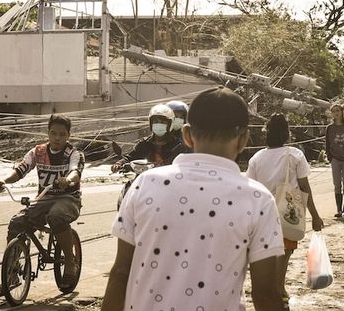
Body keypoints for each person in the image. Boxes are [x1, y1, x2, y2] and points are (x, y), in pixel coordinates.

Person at [101, 87, 285, 311]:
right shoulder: (258, 199)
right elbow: (265, 293)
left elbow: (120, 273)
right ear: (244, 139)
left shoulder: (144, 184)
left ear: (187, 135)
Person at [0, 114, 84, 295]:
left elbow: (75, 172)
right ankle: (12, 274)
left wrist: (68, 180)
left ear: (68, 136)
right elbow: (20, 170)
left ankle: (70, 264)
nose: (57, 138)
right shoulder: (38, 152)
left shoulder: (73, 153)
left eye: (62, 134)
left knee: (56, 216)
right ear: (47, 133)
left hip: (69, 199)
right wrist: (3, 181)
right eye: (53, 133)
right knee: (17, 222)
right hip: (44, 198)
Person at [247, 113, 324, 306]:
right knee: (283, 259)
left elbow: (250, 191)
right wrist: (315, 215)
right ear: (287, 134)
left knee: (267, 258)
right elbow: (305, 188)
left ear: (267, 133)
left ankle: (276, 293)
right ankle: (279, 294)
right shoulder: (295, 155)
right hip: (288, 215)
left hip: (263, 216)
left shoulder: (256, 158)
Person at [111, 104, 186, 172]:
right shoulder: (144, 143)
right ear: (151, 123)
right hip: (145, 179)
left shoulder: (177, 146)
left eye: (163, 122)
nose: (159, 125)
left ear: (170, 124)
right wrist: (119, 163)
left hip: (167, 181)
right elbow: (130, 158)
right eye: (156, 121)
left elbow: (182, 167)